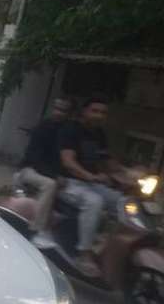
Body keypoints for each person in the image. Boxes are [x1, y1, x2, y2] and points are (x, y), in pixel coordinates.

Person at [58, 96, 121, 277]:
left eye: (103, 112)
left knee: (121, 202)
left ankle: (105, 246)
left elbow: (108, 161)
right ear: (84, 112)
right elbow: (68, 162)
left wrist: (129, 174)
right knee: (95, 202)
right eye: (95, 111)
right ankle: (83, 255)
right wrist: (92, 177)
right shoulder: (70, 130)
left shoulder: (99, 134)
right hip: (67, 182)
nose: (99, 115)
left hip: (90, 183)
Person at [17, 97, 72, 247]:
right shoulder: (42, 127)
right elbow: (34, 158)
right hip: (31, 170)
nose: (59, 113)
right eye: (57, 108)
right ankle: (36, 229)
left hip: (54, 173)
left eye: (63, 110)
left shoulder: (68, 131)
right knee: (50, 184)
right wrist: (55, 176)